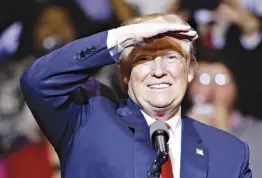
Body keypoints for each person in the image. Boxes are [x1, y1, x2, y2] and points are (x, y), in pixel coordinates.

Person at [20, 13, 251, 178]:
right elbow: (38, 82)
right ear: (124, 75)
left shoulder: (229, 152)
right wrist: (122, 38)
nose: (159, 71)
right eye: (143, 58)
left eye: (171, 57)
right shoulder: (88, 117)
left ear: (190, 70)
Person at [187, 48, 262, 178]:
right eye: (203, 80)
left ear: (236, 87)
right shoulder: (169, 131)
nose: (211, 89)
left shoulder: (256, 134)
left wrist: (223, 135)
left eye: (220, 80)